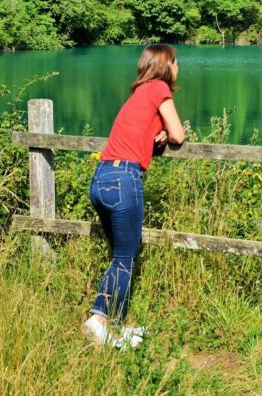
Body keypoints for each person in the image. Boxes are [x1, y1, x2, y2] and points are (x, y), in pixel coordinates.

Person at [82, 44, 186, 348]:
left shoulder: (139, 94)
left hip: (101, 177)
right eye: (176, 62)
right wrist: (171, 133)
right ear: (166, 66)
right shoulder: (159, 87)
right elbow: (179, 134)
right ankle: (98, 319)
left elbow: (146, 134)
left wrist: (160, 134)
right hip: (124, 180)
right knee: (125, 259)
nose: (178, 67)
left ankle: (118, 324)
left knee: (119, 257)